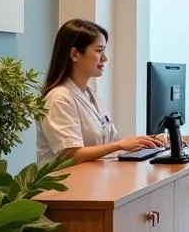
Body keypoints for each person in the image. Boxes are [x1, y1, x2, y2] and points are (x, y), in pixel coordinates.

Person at [36, 18, 166, 164]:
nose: (105, 58)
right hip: (69, 184)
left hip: (95, 179)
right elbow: (69, 154)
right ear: (75, 54)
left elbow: (112, 144)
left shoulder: (90, 95)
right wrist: (118, 145)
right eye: (99, 50)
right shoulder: (58, 98)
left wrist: (148, 142)